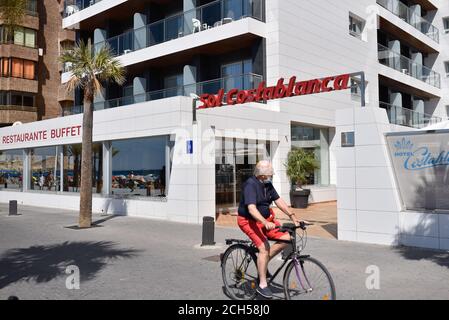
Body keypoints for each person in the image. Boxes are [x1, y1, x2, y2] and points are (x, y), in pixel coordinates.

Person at [237, 160, 303, 299]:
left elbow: (278, 201)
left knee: (286, 239)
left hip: (267, 220)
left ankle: (263, 262)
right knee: (264, 247)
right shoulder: (250, 185)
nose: (271, 174)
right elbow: (251, 208)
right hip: (249, 221)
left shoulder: (267, 184)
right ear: (262, 174)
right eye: (270, 172)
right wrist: (264, 222)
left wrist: (293, 216)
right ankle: (262, 284)